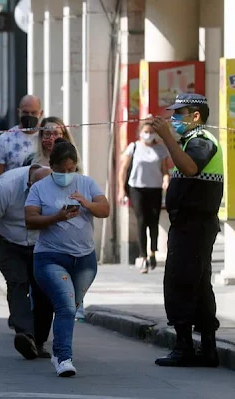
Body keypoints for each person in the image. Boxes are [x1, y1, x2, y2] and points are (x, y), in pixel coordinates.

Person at [25, 138, 110, 377]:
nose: (66, 174)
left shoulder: (86, 183)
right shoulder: (39, 188)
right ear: (51, 166)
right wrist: (56, 218)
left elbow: (105, 209)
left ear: (76, 167)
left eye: (71, 170)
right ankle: (64, 358)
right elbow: (30, 219)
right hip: (50, 257)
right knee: (64, 305)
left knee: (69, 308)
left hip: (84, 259)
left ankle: (58, 350)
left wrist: (85, 203)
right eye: (61, 170)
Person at [151, 94, 223, 368]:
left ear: (196, 116)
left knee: (180, 282)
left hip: (195, 226)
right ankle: (207, 348)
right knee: (199, 286)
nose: (174, 119)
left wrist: (168, 138)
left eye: (180, 113)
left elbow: (190, 168)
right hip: (190, 225)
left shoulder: (203, 140)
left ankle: (185, 348)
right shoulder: (190, 142)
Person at [0, 164, 54, 359]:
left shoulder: (56, 187)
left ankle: (38, 342)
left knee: (45, 289)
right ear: (30, 184)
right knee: (17, 282)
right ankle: (25, 334)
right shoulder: (6, 186)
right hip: (8, 242)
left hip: (40, 244)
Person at [118, 120, 171, 273]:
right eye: (145, 131)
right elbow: (123, 169)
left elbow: (164, 170)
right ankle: (143, 256)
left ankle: (153, 252)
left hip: (154, 188)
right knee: (141, 220)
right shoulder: (133, 147)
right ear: (140, 132)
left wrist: (166, 179)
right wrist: (122, 189)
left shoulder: (160, 149)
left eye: (151, 132)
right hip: (137, 188)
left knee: (153, 221)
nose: (148, 135)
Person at [0, 95, 43, 186]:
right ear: (19, 112)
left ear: (40, 113)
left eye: (34, 113)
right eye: (25, 112)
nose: (29, 116)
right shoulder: (5, 139)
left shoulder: (47, 137)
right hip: (13, 196)